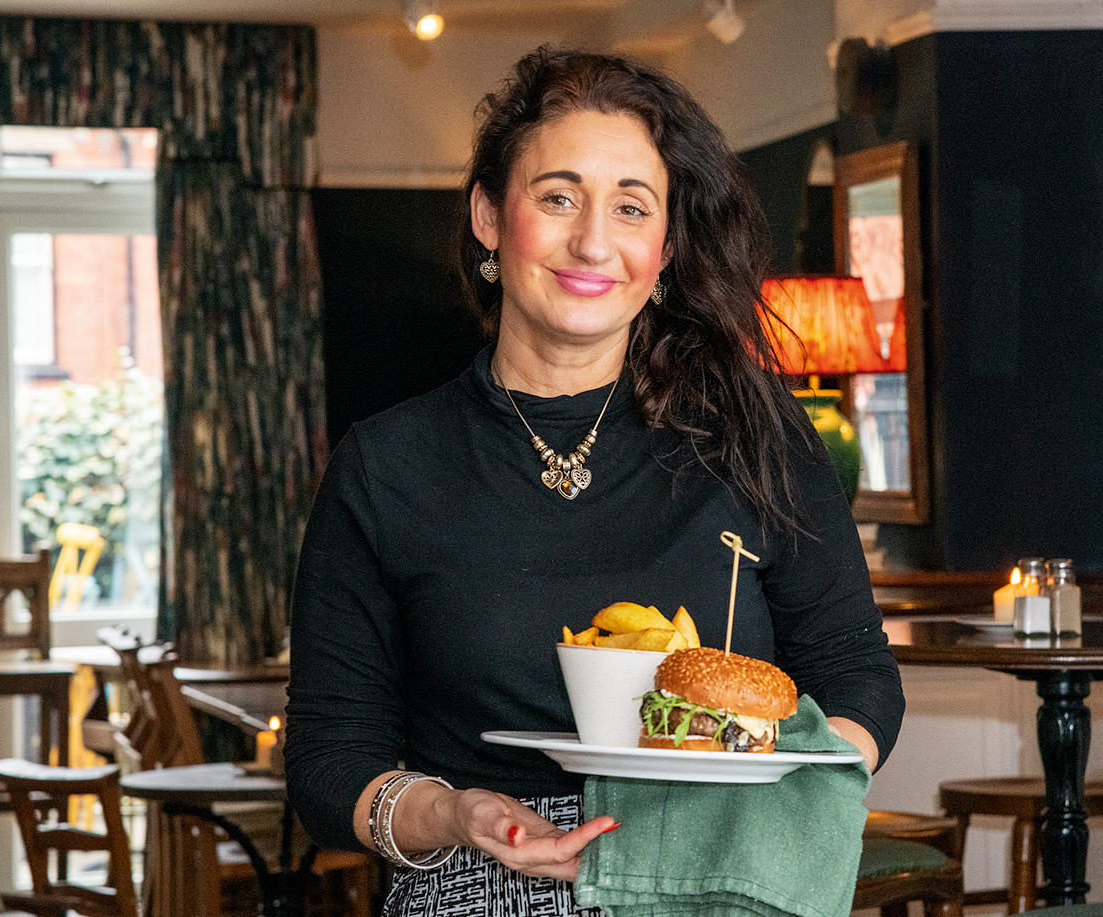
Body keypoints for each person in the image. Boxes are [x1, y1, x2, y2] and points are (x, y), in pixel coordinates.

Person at [285, 45, 904, 917]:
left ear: (665, 247)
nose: (592, 240)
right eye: (558, 196)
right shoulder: (385, 466)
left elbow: (857, 675)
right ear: (490, 218)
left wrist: (784, 795)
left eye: (630, 206)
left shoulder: (753, 432)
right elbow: (327, 765)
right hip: (482, 878)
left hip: (723, 860)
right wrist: (453, 815)